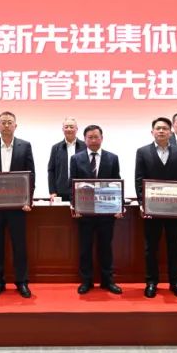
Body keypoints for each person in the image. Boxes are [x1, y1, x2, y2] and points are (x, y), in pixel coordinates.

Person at [0, 111, 36, 298]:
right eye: (3, 122)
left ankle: (22, 282)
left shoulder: (25, 146)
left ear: (15, 126)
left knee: (19, 245)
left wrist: (28, 200)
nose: (6, 125)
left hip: (18, 206)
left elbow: (31, 175)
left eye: (9, 122)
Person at [135, 116, 177, 299]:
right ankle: (151, 282)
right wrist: (142, 204)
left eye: (165, 128)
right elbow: (139, 180)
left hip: (174, 209)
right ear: (152, 132)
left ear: (170, 132)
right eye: (158, 128)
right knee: (151, 247)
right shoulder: (142, 152)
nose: (161, 131)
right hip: (152, 209)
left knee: (174, 246)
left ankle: (176, 282)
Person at [68, 125, 123, 295]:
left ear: (102, 138)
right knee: (85, 248)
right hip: (84, 212)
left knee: (105, 248)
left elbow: (116, 183)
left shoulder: (112, 158)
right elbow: (72, 184)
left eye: (96, 137)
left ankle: (108, 281)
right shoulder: (76, 159)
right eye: (90, 137)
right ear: (84, 139)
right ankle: (86, 281)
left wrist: (118, 206)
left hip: (106, 212)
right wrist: (75, 205)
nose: (93, 140)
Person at [47, 117, 86, 201]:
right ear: (63, 129)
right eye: (66, 127)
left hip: (82, 191)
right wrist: (52, 191)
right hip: (61, 191)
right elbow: (51, 170)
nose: (69, 129)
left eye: (71, 127)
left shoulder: (85, 146)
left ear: (76, 129)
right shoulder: (56, 148)